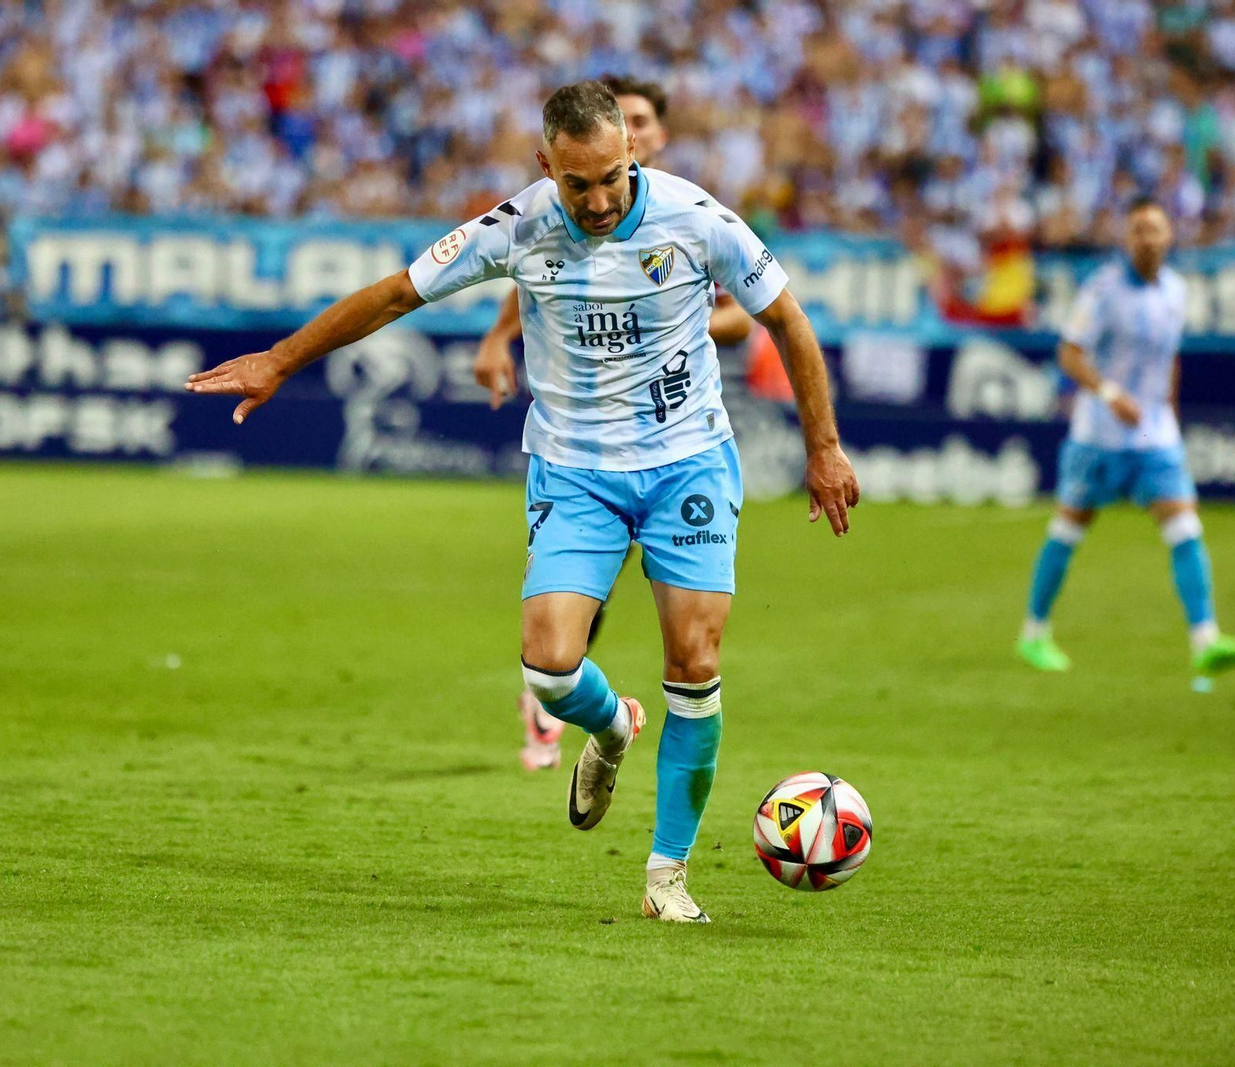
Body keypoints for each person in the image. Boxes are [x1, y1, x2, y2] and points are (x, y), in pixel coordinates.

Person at [188, 81, 857, 923]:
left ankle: (666, 877)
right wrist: (281, 359)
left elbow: (789, 321)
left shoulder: (699, 219)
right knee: (547, 666)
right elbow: (398, 292)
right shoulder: (518, 225)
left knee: (695, 662)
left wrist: (823, 446)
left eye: (613, 176)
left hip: (687, 462)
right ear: (548, 166)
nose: (600, 199)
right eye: (579, 184)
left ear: (633, 156)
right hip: (575, 471)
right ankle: (612, 727)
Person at [473, 75, 757, 772]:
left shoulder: (690, 215)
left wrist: (671, 320)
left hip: (673, 442)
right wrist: (497, 337)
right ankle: (563, 703)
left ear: (647, 138)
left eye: (639, 121)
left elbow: (746, 315)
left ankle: (573, 709)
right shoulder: (565, 214)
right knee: (568, 621)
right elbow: (541, 283)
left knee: (687, 646)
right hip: (584, 452)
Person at [1017, 197, 1235, 680]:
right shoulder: (1103, 290)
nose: (1146, 238)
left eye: (1154, 229)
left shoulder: (1176, 289)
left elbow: (1169, 357)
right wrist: (1109, 394)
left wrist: (1168, 412)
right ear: (1127, 239)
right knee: (1068, 530)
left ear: (1170, 237)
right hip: (1099, 436)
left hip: (1155, 439)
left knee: (1185, 529)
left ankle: (1205, 640)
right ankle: (1034, 633)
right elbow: (1069, 353)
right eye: (1137, 230)